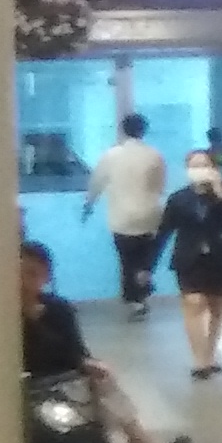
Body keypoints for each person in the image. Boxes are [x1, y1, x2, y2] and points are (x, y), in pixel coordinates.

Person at [19, 242, 183, 443]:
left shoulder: (57, 309)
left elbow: (75, 352)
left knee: (101, 398)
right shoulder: (4, 318)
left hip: (70, 385)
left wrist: (88, 364)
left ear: (46, 276)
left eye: (35, 274)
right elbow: (30, 359)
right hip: (36, 390)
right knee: (99, 416)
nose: (27, 281)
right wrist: (32, 322)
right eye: (23, 273)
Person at [155, 150, 222, 378]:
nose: (199, 171)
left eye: (204, 165)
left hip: (220, 257)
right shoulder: (178, 198)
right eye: (194, 166)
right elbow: (164, 230)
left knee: (218, 307)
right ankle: (199, 360)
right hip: (189, 257)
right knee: (193, 302)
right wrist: (148, 265)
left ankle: (210, 353)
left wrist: (219, 191)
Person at [82, 112, 170, 313]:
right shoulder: (154, 155)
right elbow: (160, 187)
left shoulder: (111, 155)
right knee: (145, 256)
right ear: (144, 130)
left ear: (122, 130)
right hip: (149, 214)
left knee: (127, 259)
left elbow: (96, 183)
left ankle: (134, 299)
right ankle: (143, 281)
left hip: (121, 217)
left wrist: (89, 204)